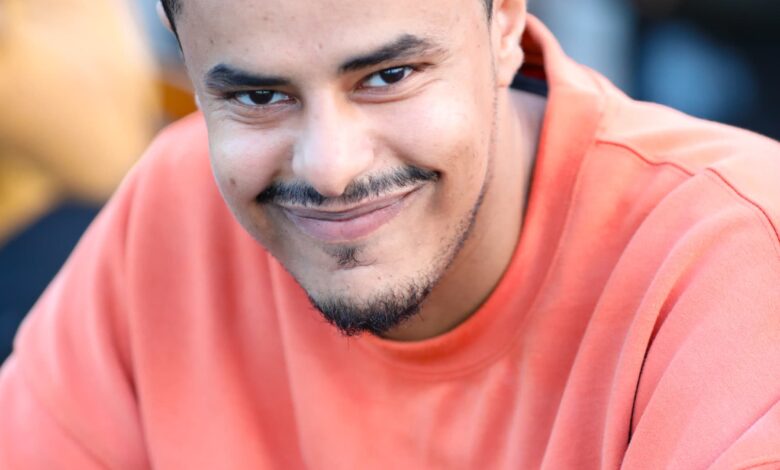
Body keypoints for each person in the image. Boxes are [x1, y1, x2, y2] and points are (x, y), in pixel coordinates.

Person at [1, 0, 779, 467]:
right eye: (260, 97)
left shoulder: (731, 250)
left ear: (505, 24)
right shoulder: (173, 204)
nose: (331, 169)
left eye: (387, 77)